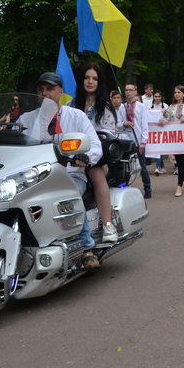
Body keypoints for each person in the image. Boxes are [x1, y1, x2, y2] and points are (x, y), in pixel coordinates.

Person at [20, 72, 102, 269]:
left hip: (70, 174)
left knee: (69, 193)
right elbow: (16, 144)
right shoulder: (26, 119)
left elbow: (95, 146)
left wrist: (85, 157)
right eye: (41, 89)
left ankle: (86, 249)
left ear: (60, 92)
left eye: (50, 89)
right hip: (33, 177)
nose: (45, 93)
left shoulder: (77, 116)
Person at [72, 63, 118, 243]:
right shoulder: (71, 105)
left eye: (94, 78)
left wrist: (96, 137)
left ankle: (108, 225)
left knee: (95, 172)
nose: (90, 82)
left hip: (97, 158)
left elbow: (110, 135)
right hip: (71, 158)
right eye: (87, 77)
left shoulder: (105, 107)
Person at [159, 85, 184, 196]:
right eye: (175, 92)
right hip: (175, 137)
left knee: (182, 159)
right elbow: (168, 119)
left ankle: (179, 185)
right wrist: (162, 120)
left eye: (179, 92)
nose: (176, 94)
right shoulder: (171, 107)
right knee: (179, 161)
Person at [122, 83, 152, 198]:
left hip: (137, 139)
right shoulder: (122, 106)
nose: (128, 92)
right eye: (126, 90)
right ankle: (125, 187)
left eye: (130, 90)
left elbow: (144, 124)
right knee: (126, 165)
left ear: (135, 91)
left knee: (142, 165)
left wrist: (143, 142)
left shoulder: (140, 107)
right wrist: (124, 123)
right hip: (126, 139)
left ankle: (148, 187)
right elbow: (118, 123)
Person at [148, 90, 168, 175]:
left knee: (160, 148)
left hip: (162, 129)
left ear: (161, 97)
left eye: (158, 96)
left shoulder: (165, 106)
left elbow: (168, 117)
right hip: (153, 130)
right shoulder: (149, 107)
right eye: (155, 96)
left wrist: (165, 114)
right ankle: (161, 167)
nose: (157, 98)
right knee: (157, 148)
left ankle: (157, 167)